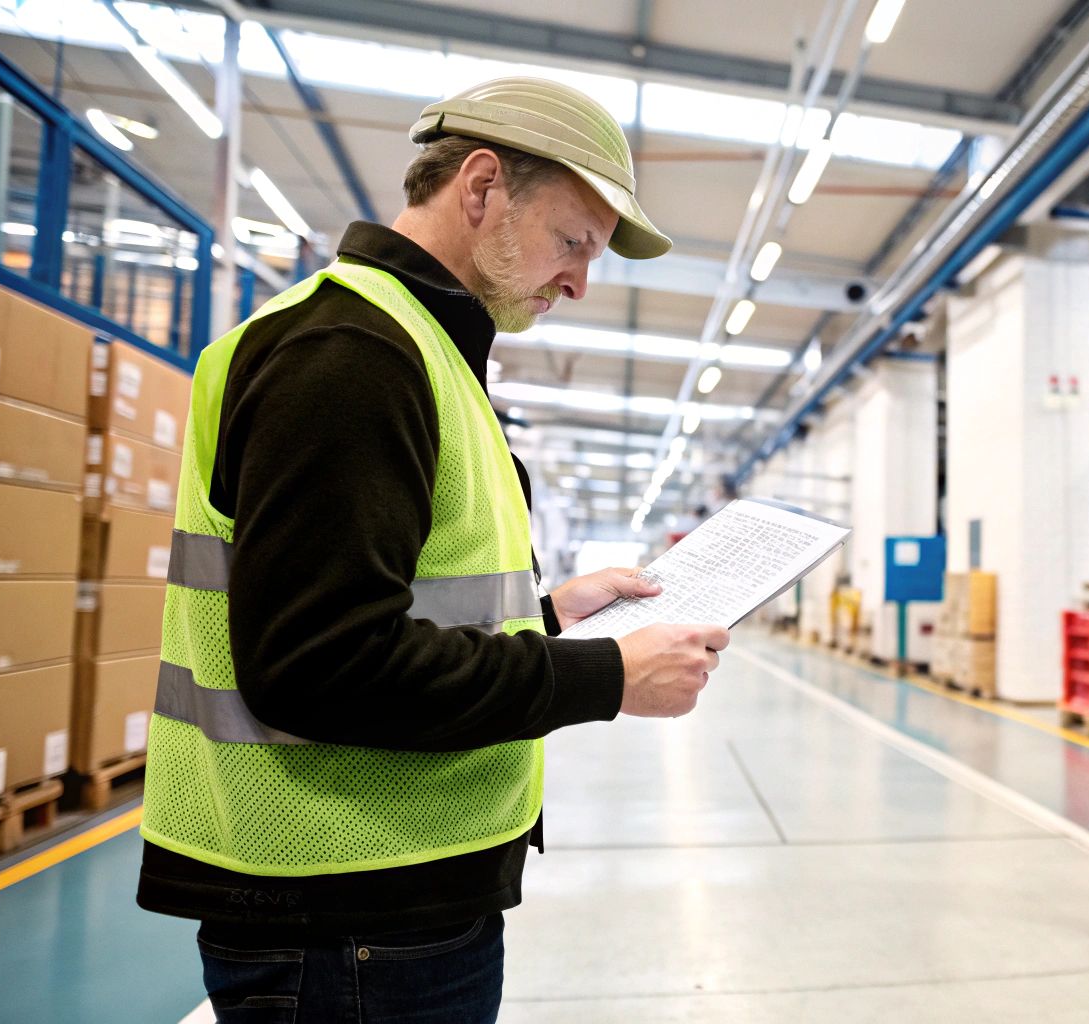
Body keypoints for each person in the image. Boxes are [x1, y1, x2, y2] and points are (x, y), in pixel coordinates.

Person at [135, 77, 729, 1023]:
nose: (580, 280)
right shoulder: (351, 356)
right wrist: (603, 678)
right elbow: (318, 664)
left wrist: (547, 616)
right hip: (347, 915)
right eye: (574, 241)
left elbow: (383, 610)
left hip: (383, 899)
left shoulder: (418, 350)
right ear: (483, 186)